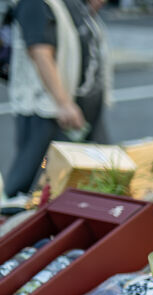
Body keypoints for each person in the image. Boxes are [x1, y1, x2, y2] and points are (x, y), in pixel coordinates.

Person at [7, 0, 110, 193]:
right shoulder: (34, 3)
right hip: (50, 111)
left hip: (82, 106)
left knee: (87, 176)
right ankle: (16, 218)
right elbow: (39, 52)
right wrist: (63, 103)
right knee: (37, 177)